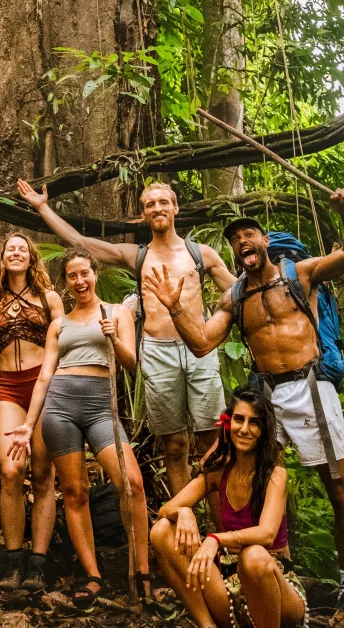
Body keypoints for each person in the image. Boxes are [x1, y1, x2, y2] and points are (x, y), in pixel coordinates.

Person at [149, 196, 344, 613]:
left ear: (264, 241)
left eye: (248, 234)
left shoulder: (299, 275)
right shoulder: (234, 298)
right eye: (234, 239)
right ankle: (266, 568)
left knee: (337, 485)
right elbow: (200, 344)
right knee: (250, 480)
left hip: (311, 386)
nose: (240, 241)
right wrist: (175, 307)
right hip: (266, 396)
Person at [16, 177, 231, 495]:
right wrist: (43, 207)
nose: (157, 208)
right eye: (149, 204)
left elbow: (239, 292)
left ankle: (220, 533)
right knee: (174, 444)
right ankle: (184, 529)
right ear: (143, 215)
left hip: (198, 350)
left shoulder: (202, 254)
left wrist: (217, 329)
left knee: (211, 441)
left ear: (175, 208)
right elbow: (81, 242)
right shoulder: (137, 256)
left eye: (162, 202)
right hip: (157, 352)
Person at [6, 252, 151, 606]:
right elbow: (45, 375)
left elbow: (132, 363)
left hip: (101, 409)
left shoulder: (118, 313)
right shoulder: (60, 325)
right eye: (72, 276)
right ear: (66, 282)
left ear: (95, 274)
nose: (80, 281)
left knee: (131, 484)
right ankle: (93, 576)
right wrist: (27, 424)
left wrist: (114, 338)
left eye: (84, 273)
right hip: (60, 407)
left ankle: (142, 572)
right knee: (74, 492)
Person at [150, 383, 307, 628]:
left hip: (275, 589)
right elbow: (166, 510)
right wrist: (184, 512)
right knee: (161, 531)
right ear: (228, 423)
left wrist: (215, 540)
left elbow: (266, 534)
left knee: (254, 557)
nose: (244, 429)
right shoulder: (219, 472)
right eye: (238, 419)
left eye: (254, 422)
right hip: (231, 599)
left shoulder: (276, 474)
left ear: (264, 429)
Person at [0, 234, 64, 591]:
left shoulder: (49, 297)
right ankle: (13, 560)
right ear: (2, 257)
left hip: (44, 387)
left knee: (43, 475)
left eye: (22, 250)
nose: (16, 253)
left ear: (31, 259)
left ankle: (38, 565)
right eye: (10, 249)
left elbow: (67, 337)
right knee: (11, 472)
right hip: (8, 388)